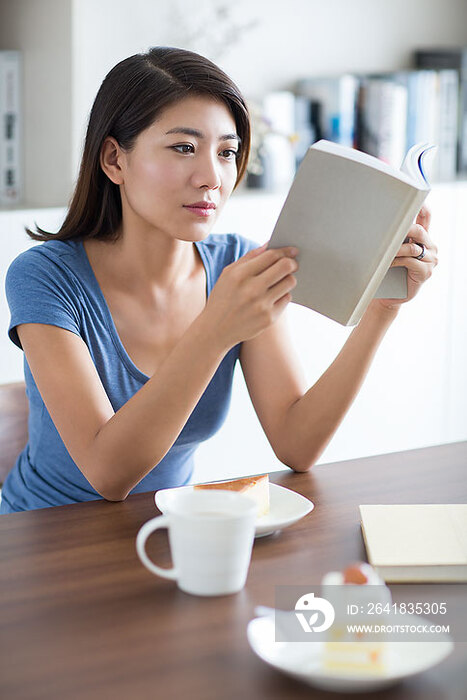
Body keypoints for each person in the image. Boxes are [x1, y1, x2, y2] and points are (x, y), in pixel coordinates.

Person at [0, 47, 437, 514]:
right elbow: (109, 474)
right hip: (40, 535)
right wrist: (215, 330)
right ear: (114, 160)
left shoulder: (237, 264)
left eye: (227, 152)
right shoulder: (45, 276)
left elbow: (297, 443)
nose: (212, 177)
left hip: (167, 528)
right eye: (184, 147)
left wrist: (379, 311)